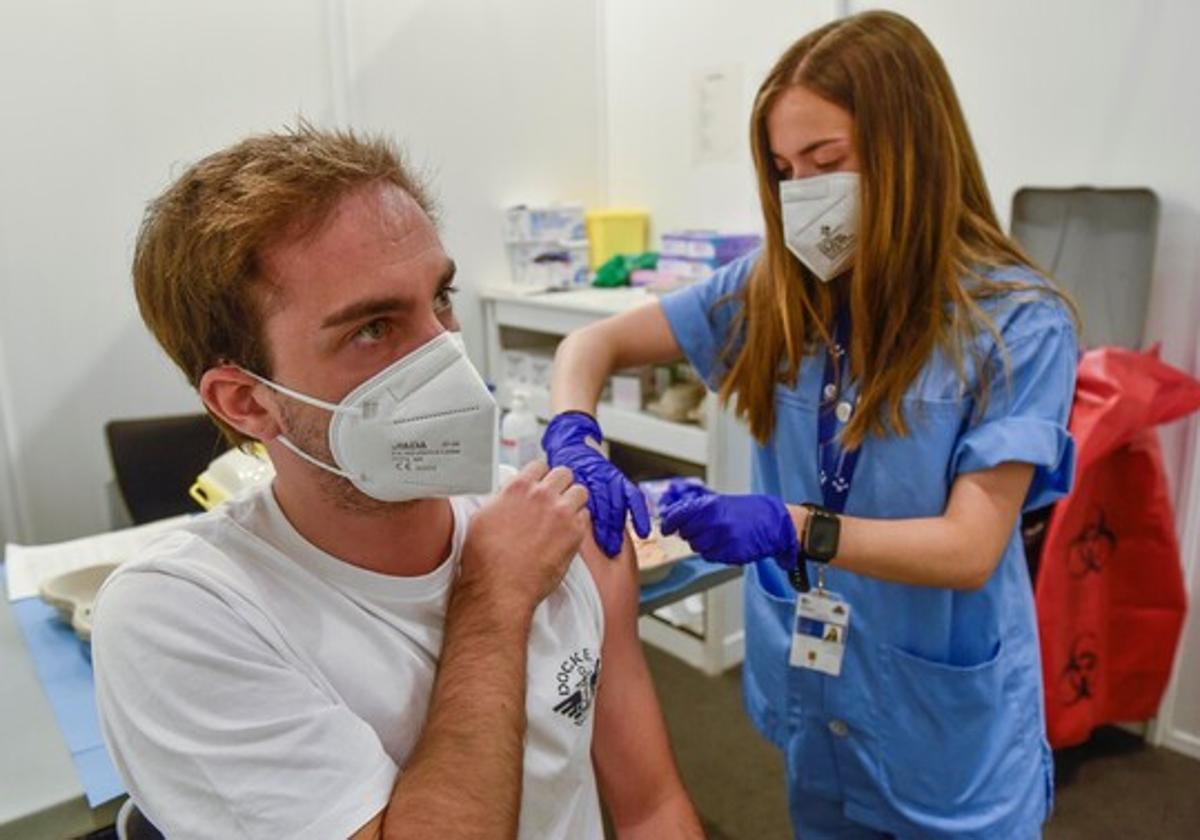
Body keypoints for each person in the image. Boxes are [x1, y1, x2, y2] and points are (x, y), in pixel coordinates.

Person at [545, 11, 1077, 839]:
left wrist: (789, 526)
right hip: (817, 693)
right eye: (786, 170)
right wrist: (575, 434)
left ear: (912, 150)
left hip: (941, 719)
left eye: (826, 162)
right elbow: (592, 342)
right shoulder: (773, 290)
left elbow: (971, 549)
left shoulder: (1015, 324)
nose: (804, 194)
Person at [92, 125, 703, 840]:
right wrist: (495, 595)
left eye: (439, 299)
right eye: (373, 329)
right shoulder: (177, 617)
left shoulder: (555, 531)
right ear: (247, 401)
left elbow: (650, 809)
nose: (448, 359)